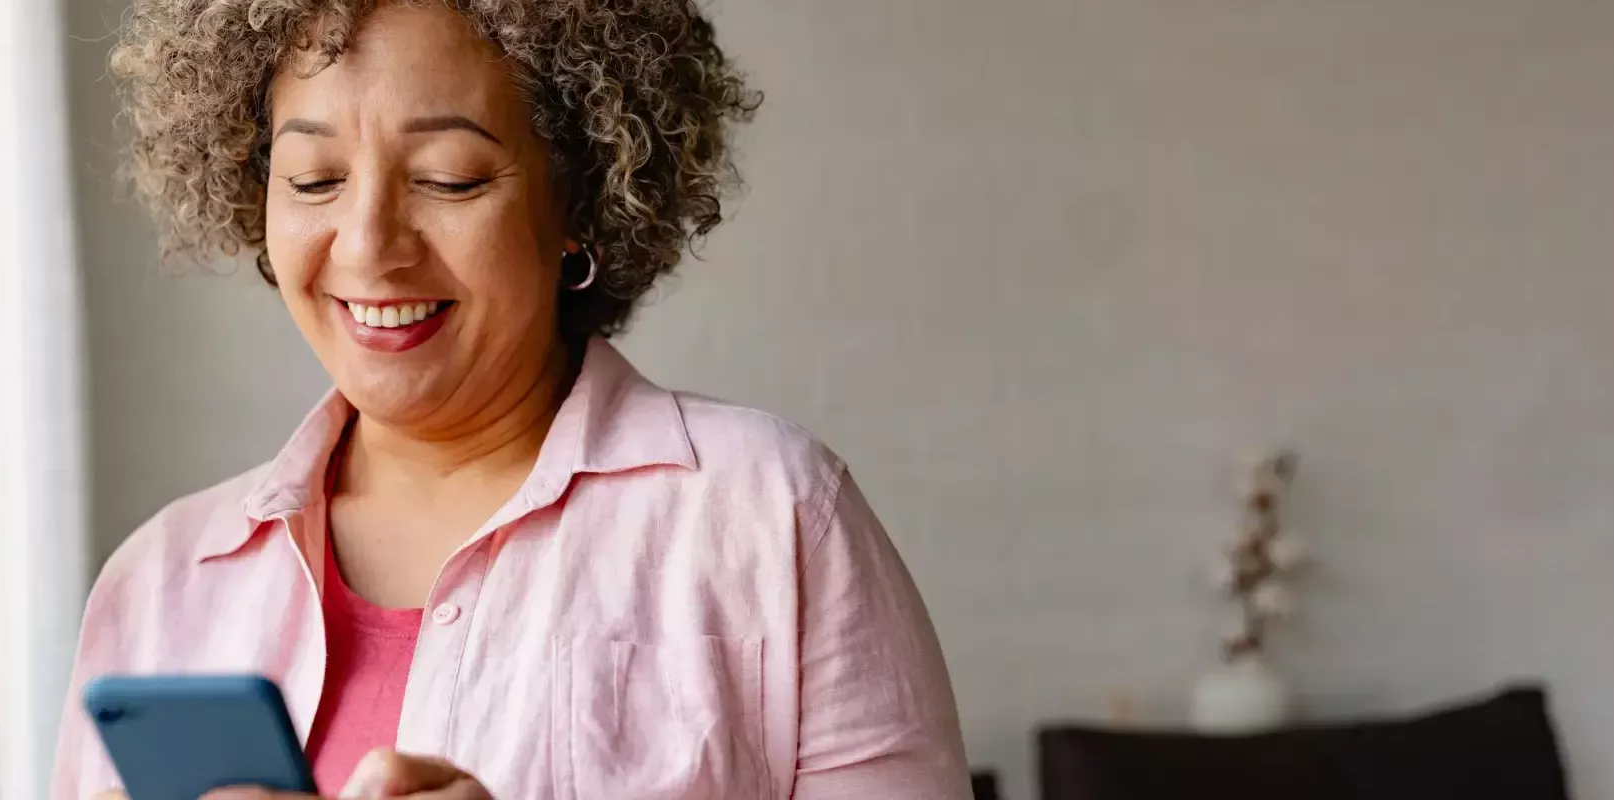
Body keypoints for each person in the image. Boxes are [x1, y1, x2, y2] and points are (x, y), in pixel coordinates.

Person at [54, 0, 971, 797]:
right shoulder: (165, 582)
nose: (369, 246)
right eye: (314, 181)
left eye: (448, 178)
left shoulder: (772, 519)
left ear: (580, 198)